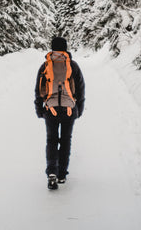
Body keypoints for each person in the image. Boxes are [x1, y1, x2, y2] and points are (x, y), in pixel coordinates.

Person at [34, 37, 85, 190]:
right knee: (65, 140)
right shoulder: (73, 66)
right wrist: (79, 109)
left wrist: (39, 110)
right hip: (69, 109)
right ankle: (62, 173)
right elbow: (81, 89)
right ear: (65, 48)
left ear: (52, 48)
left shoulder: (45, 66)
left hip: (51, 110)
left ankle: (51, 172)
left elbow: (38, 90)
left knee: (51, 140)